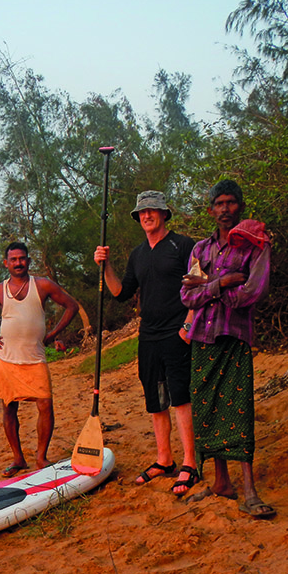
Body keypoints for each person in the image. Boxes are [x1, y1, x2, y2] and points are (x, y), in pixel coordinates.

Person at [180, 179, 275, 518]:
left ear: (241, 206)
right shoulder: (200, 250)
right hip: (203, 339)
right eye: (218, 203)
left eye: (231, 202)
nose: (224, 209)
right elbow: (186, 295)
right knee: (206, 411)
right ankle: (222, 482)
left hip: (234, 337)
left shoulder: (256, 246)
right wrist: (219, 282)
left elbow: (253, 292)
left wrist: (209, 287)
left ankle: (249, 489)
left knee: (238, 411)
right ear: (210, 210)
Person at [93, 190, 197, 492]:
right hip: (148, 335)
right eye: (142, 212)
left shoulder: (183, 245)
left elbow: (197, 285)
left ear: (165, 213)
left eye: (152, 210)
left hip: (177, 332)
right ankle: (164, 459)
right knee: (155, 400)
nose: (147, 216)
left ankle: (189, 461)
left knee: (180, 397)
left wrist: (188, 326)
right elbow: (120, 292)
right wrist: (105, 265)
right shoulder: (138, 254)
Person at [0, 242, 79, 475]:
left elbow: (71, 306)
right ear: (6, 263)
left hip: (35, 358)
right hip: (6, 359)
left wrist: (52, 335)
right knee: (9, 409)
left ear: (29, 261)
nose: (18, 263)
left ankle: (41, 458)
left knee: (45, 405)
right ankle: (18, 458)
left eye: (22, 258)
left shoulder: (43, 285)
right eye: (13, 259)